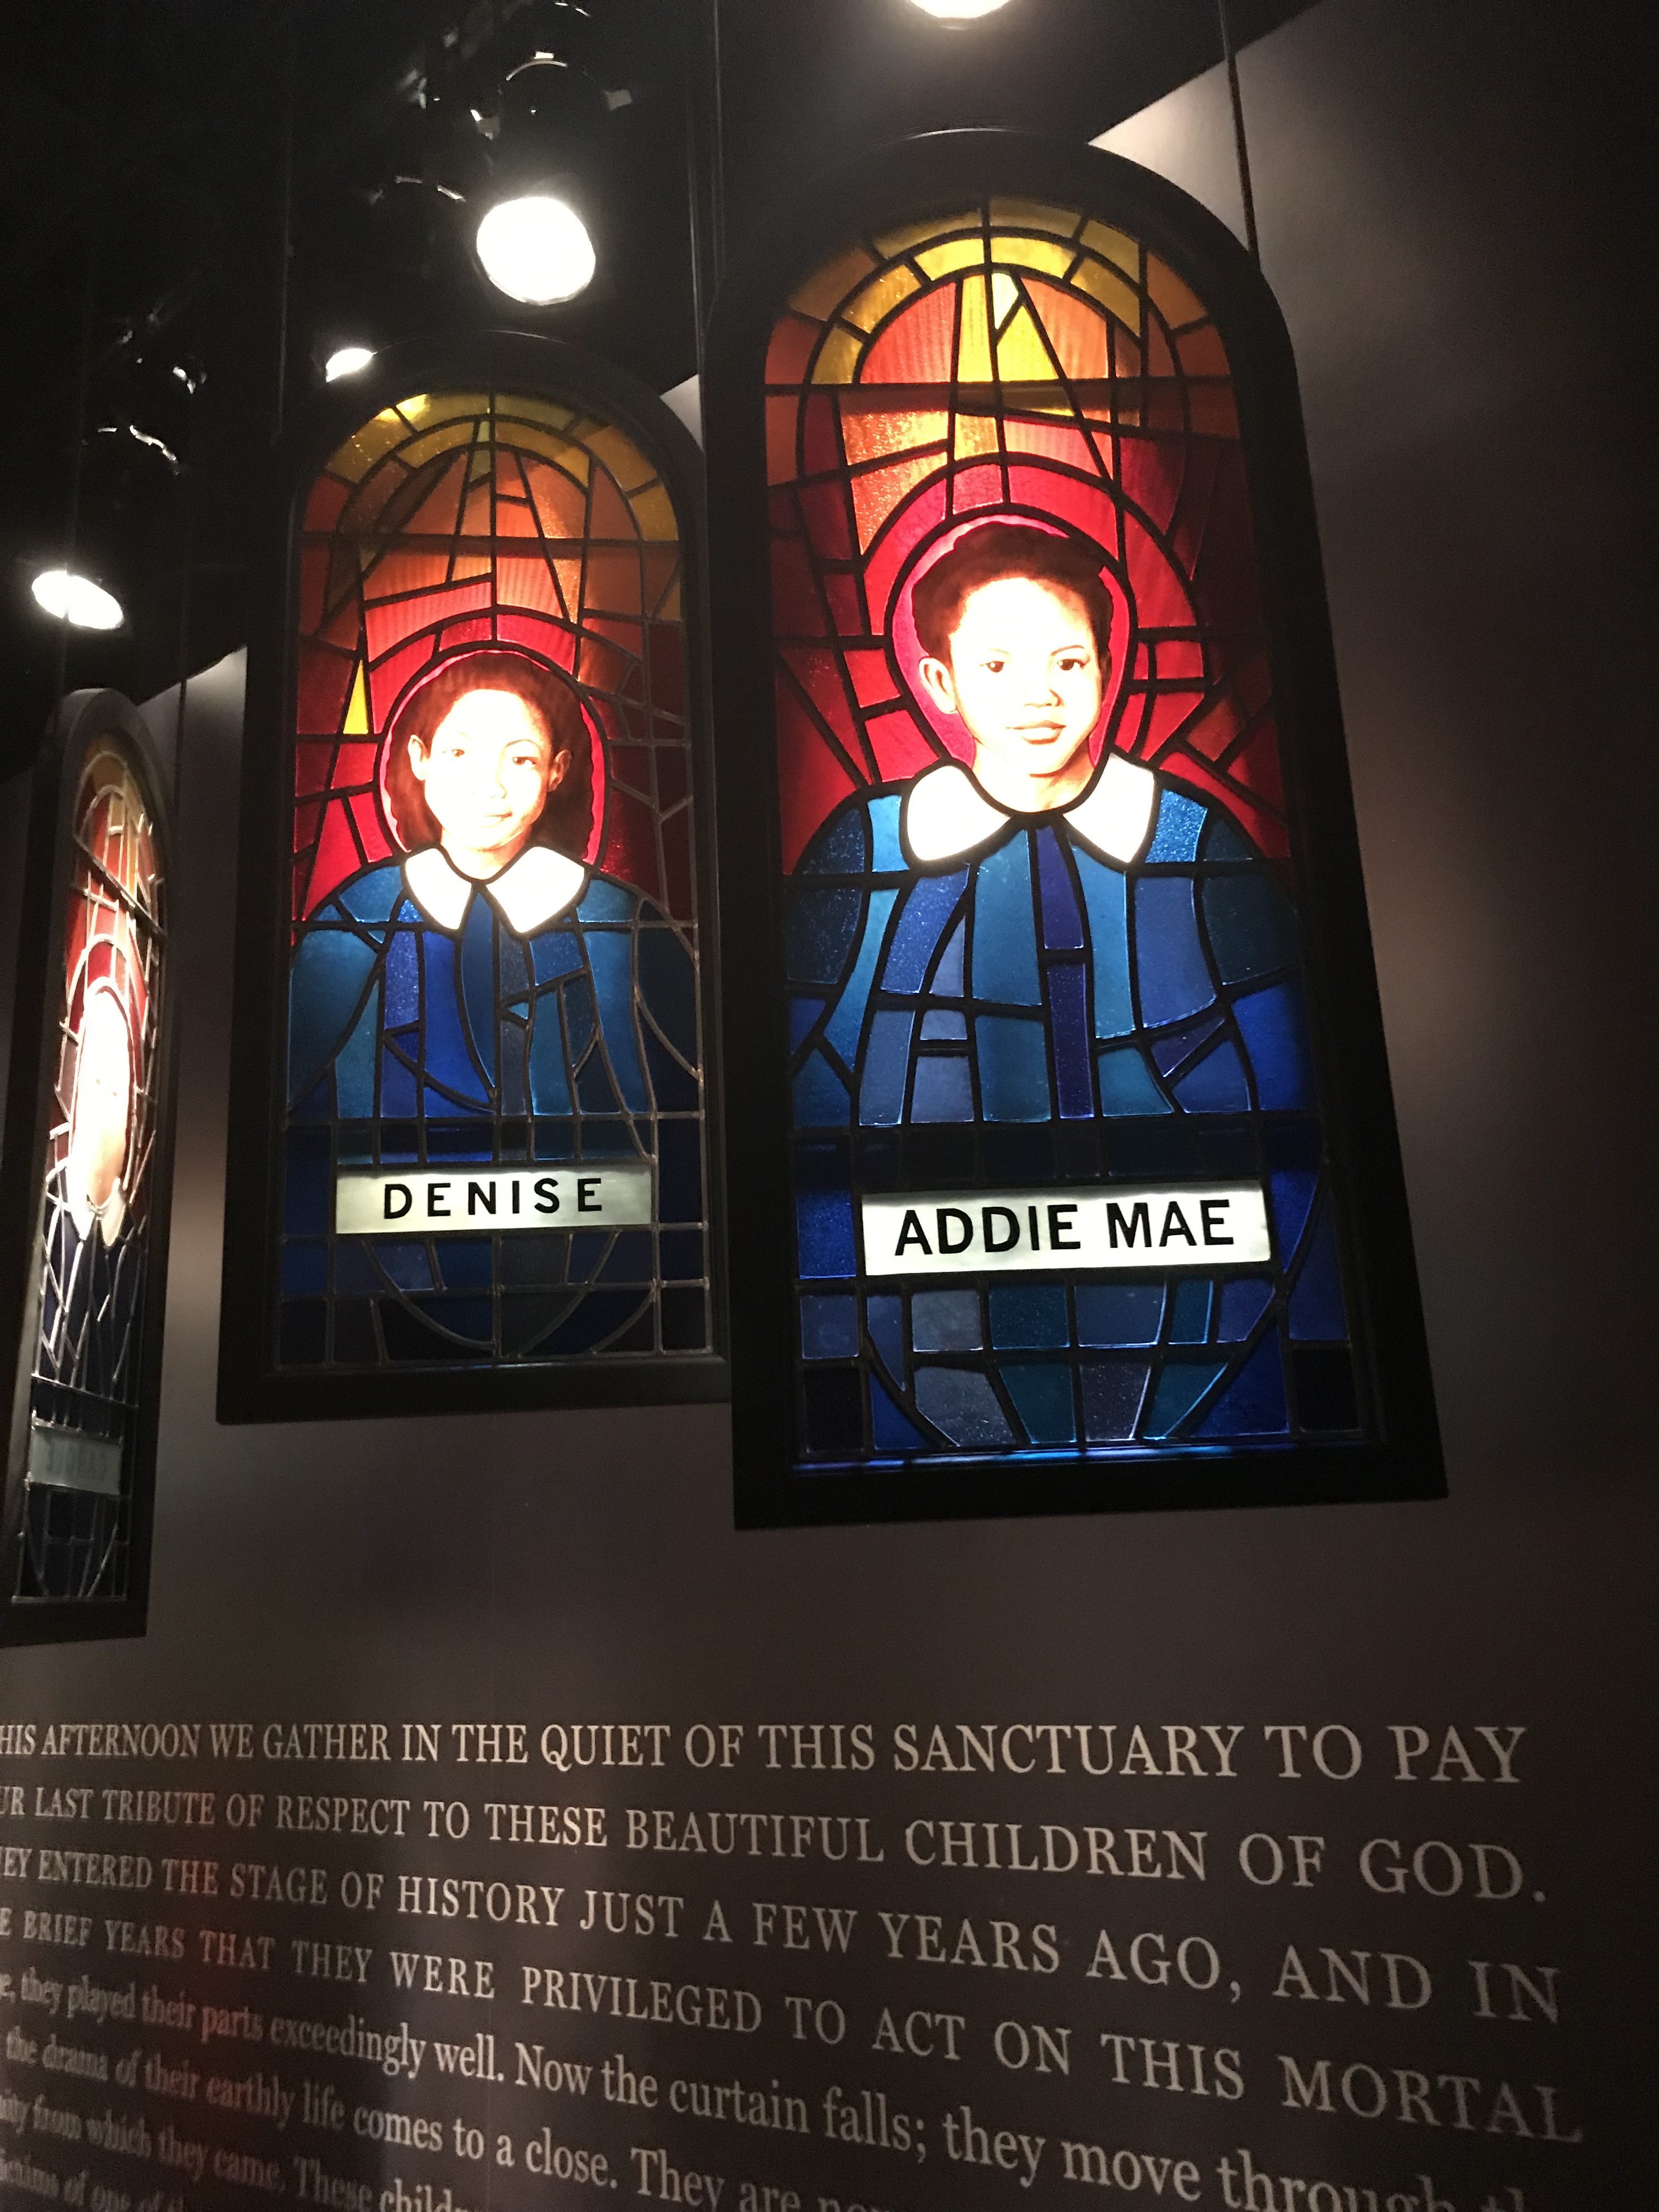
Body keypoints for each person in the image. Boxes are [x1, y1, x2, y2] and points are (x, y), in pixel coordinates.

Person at [787, 521, 1349, 1456]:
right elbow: (802, 1090)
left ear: (1107, 668)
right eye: (996, 665)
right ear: (939, 682)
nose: (1038, 695)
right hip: (919, 1326)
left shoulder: (1193, 844)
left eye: (1068, 661)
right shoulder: (870, 851)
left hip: (1201, 1313)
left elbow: (1295, 1092)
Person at [286, 647, 702, 1363]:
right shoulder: (354, 923)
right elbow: (295, 1119)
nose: (490, 784)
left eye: (520, 758)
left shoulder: (623, 926)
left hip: (611, 1299)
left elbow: (689, 1117)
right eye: (459, 751)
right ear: (417, 759)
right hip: (375, 1301)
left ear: (559, 771)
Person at [27, 978, 145, 1594]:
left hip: (104, 1538)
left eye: (121, 1092)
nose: (110, 1108)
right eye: (96, 1083)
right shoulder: (41, 1211)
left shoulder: (137, 1247)